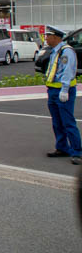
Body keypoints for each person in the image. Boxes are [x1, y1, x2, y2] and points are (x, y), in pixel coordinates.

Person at [43, 25, 81, 165]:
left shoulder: (66, 51)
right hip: (53, 90)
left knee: (68, 122)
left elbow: (67, 71)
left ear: (55, 37)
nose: (46, 38)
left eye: (48, 35)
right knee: (57, 122)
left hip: (63, 91)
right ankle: (62, 147)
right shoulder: (55, 51)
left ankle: (77, 151)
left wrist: (64, 89)